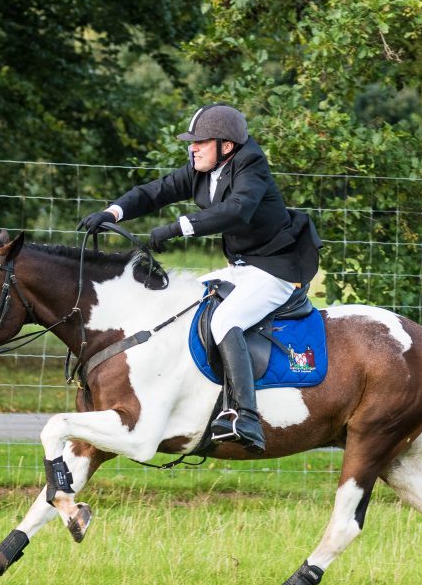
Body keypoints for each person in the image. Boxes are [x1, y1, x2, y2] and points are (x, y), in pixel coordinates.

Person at [80, 103, 319, 453]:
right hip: (242, 266)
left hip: (276, 270)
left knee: (225, 320)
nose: (192, 148)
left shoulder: (251, 165)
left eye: (200, 142)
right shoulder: (203, 167)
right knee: (184, 305)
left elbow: (237, 209)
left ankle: (245, 416)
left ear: (227, 146)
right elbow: (155, 192)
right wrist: (112, 212)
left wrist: (179, 228)